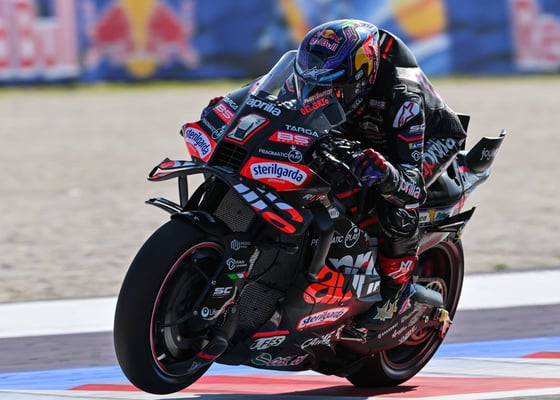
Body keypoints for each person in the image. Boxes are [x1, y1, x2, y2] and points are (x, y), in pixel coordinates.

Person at [292, 19, 467, 330]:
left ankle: (395, 293)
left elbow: (411, 186)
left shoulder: (403, 95)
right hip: (359, 127)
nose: (319, 93)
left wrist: (387, 174)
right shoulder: (318, 71)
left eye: (333, 86)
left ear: (361, 78)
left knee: (395, 201)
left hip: (426, 140)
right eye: (314, 84)